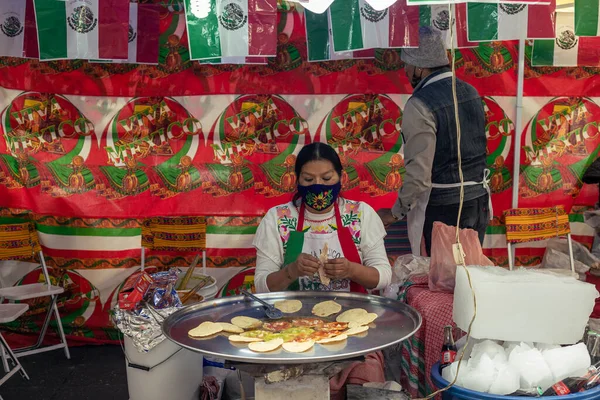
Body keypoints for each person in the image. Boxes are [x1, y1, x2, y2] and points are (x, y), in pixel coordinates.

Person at [378, 26, 491, 257]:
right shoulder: (471, 91)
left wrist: (395, 213)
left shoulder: (420, 104)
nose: (406, 71)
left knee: (441, 282)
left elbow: (419, 176)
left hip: (445, 210)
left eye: (407, 65)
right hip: (477, 202)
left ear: (419, 67)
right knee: (467, 277)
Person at [253, 142, 392, 294]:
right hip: (294, 315)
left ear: (341, 177)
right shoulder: (278, 218)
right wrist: (291, 271)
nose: (318, 186)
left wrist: (351, 270)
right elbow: (262, 285)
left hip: (352, 313)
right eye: (308, 179)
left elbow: (384, 277)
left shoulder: (361, 214)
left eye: (326, 178)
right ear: (297, 179)